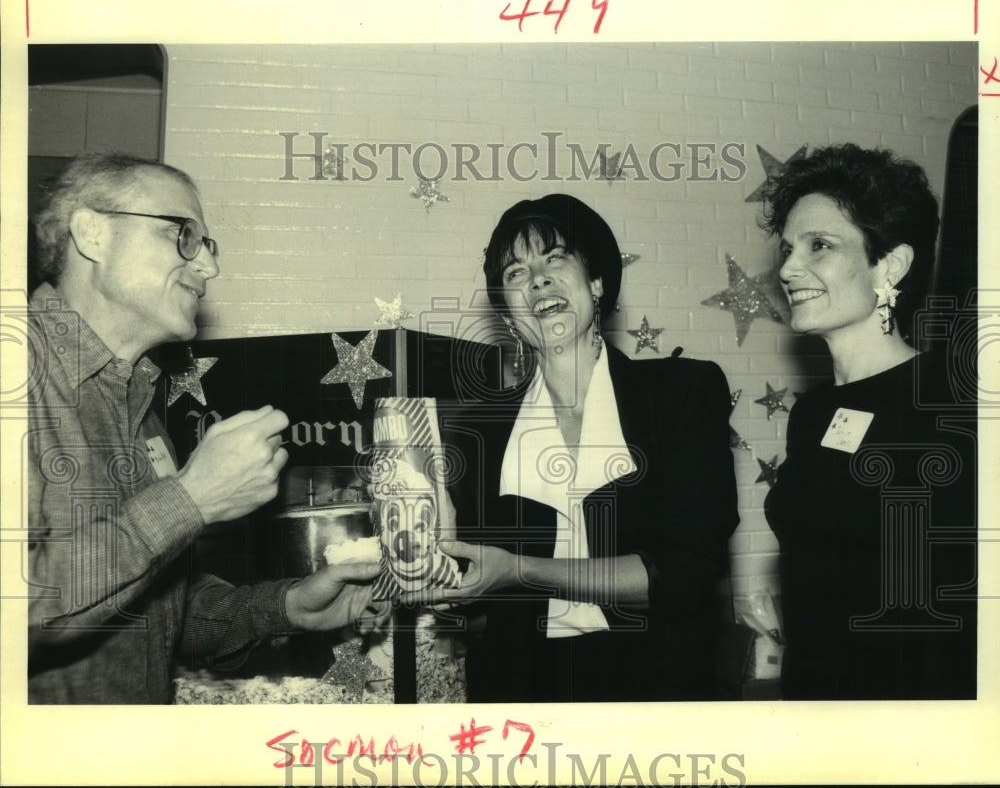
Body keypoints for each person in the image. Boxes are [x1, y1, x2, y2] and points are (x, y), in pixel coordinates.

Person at [26, 153, 380, 704]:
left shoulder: (138, 397)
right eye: (183, 235)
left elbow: (160, 608)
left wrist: (289, 606)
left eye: (207, 245)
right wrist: (189, 499)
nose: (208, 269)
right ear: (92, 234)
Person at [427, 194, 739, 702]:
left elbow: (686, 571)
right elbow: (466, 577)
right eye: (515, 273)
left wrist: (520, 570)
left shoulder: (682, 392)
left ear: (596, 283)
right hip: (523, 693)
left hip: (657, 685)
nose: (538, 280)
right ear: (508, 313)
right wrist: (413, 570)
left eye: (555, 258)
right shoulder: (476, 430)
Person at [761, 143, 977, 700]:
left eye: (820, 246)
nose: (788, 268)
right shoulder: (811, 415)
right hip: (814, 711)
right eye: (787, 249)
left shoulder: (954, 401)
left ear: (892, 264)